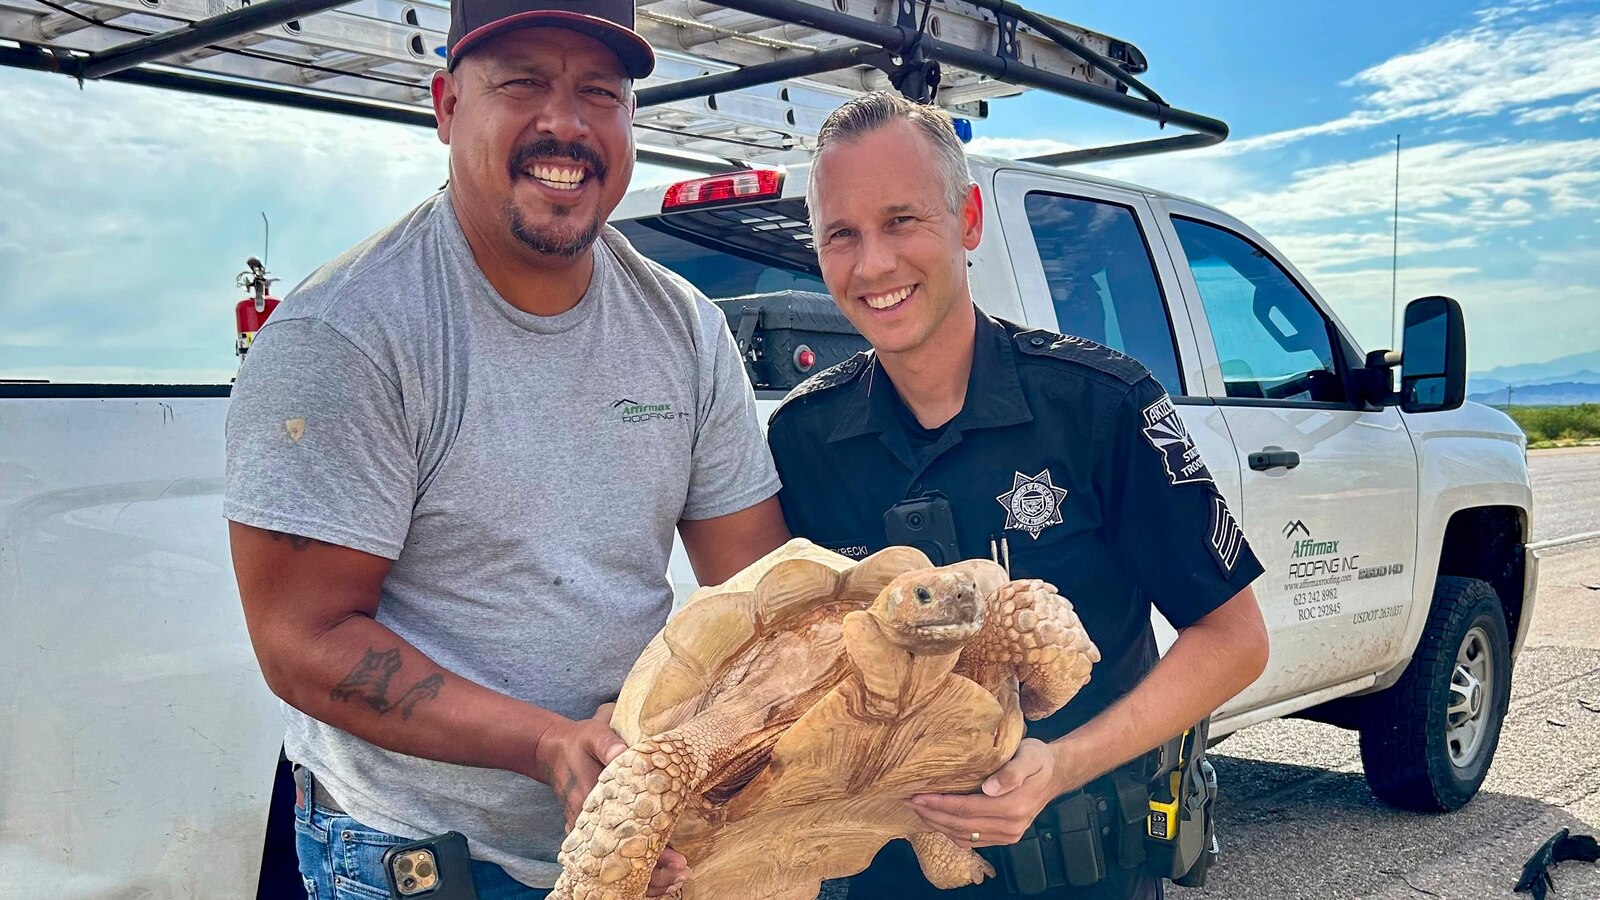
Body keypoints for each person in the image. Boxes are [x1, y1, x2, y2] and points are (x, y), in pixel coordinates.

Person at [224, 1, 789, 896]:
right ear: (448, 105)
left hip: (632, 847)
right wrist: (548, 745)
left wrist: (686, 736)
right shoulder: (350, 332)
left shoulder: (683, 328)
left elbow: (763, 593)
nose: (564, 123)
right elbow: (303, 640)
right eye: (522, 81)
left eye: (598, 92)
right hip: (414, 861)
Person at [766, 92, 1270, 900]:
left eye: (902, 220)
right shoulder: (804, 440)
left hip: (1083, 869)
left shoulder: (1101, 405)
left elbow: (1235, 639)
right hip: (887, 876)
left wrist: (1059, 765)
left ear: (967, 218)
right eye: (842, 235)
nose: (873, 265)